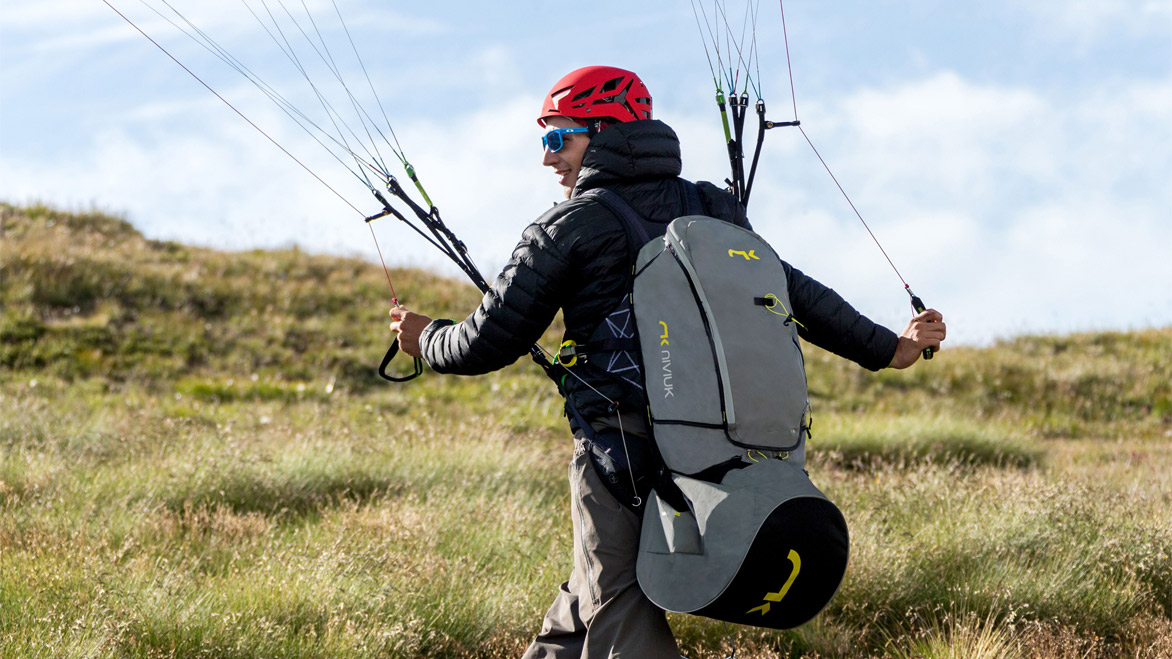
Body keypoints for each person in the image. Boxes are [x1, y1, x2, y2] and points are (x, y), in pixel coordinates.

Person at [389, 65, 945, 659]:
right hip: (719, 446)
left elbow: (487, 342)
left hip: (622, 452)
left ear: (602, 133)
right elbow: (792, 291)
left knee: (620, 606)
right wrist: (891, 348)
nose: (548, 159)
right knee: (585, 606)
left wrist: (425, 339)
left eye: (557, 138)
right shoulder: (713, 207)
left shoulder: (573, 224)